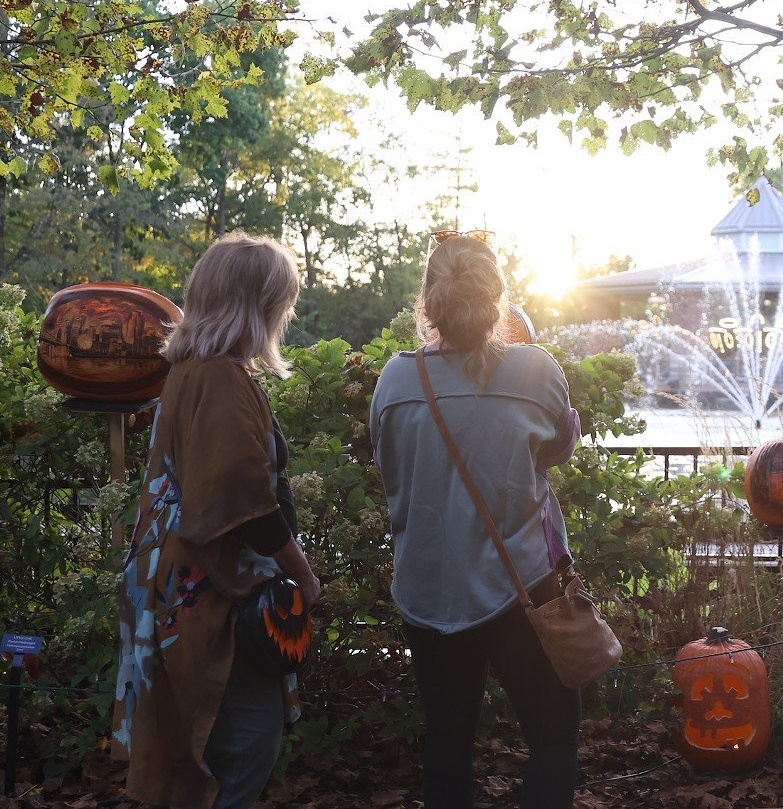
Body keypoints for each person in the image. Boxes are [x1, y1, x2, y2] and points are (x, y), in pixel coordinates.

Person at [369, 230, 582, 809]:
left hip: (428, 590)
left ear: (429, 298)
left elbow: (388, 464)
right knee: (554, 737)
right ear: (498, 296)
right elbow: (560, 449)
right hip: (524, 588)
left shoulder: (395, 379)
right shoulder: (536, 370)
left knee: (447, 743)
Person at [113, 232, 322, 809]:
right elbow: (244, 500)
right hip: (214, 597)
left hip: (172, 584)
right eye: (280, 302)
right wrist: (304, 578)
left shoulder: (188, 370)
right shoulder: (223, 379)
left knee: (198, 753)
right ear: (257, 307)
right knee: (243, 746)